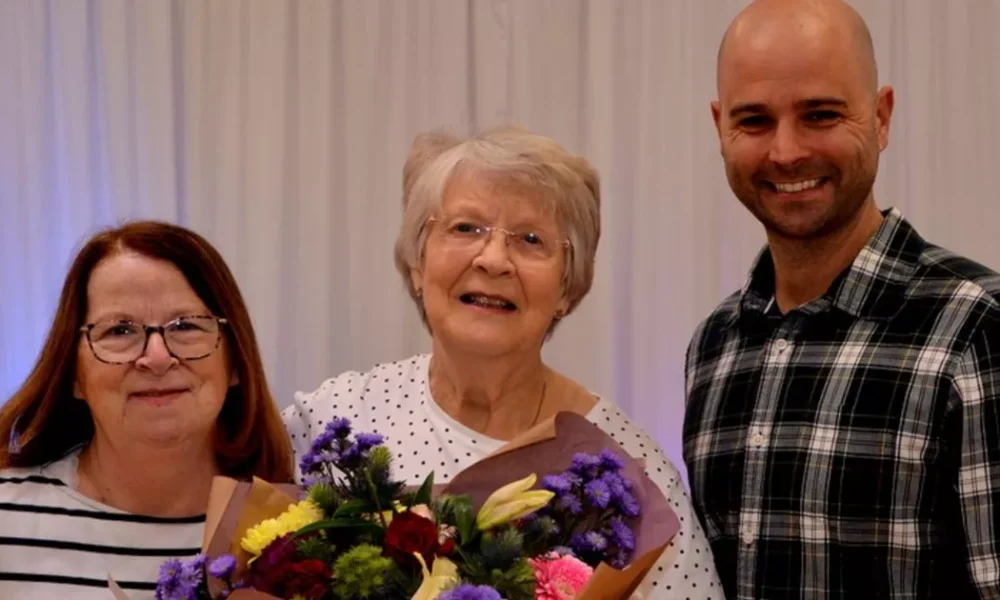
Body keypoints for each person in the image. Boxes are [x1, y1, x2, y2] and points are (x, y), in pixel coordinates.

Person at [283, 125, 723, 597]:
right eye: (465, 228)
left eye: (531, 239)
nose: (494, 259)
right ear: (417, 264)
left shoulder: (626, 472)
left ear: (567, 288)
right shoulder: (333, 423)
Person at [683, 0, 1000, 597]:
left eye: (820, 115)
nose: (785, 151)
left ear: (881, 117)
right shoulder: (714, 347)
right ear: (720, 127)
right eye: (754, 121)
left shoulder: (978, 329)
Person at [0, 221, 294, 598]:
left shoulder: (297, 535)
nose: (157, 357)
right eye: (119, 331)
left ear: (235, 362)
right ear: (73, 373)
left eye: (186, 325)